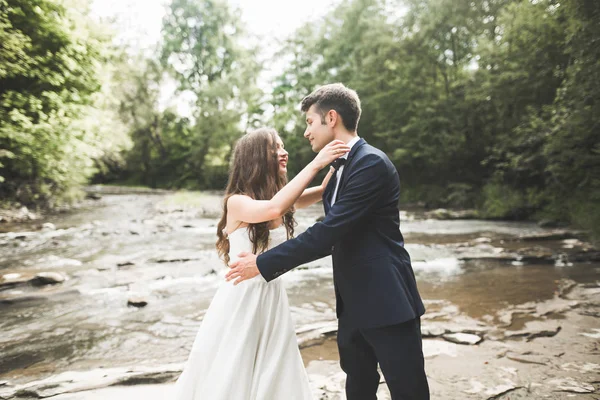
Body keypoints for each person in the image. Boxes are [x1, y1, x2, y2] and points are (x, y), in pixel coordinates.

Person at [227, 84, 430, 400]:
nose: (306, 132)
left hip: (387, 300)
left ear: (331, 118)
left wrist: (262, 263)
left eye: (310, 121)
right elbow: (281, 205)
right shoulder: (337, 172)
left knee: (408, 389)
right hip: (351, 304)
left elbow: (327, 234)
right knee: (359, 387)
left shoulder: (371, 163)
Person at [173, 127, 350, 399]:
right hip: (243, 299)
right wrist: (316, 162)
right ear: (255, 157)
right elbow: (274, 209)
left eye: (282, 146)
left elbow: (321, 191)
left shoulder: (276, 198)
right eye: (275, 148)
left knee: (274, 368)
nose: (284, 152)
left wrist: (339, 159)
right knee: (235, 369)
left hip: (272, 295)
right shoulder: (238, 202)